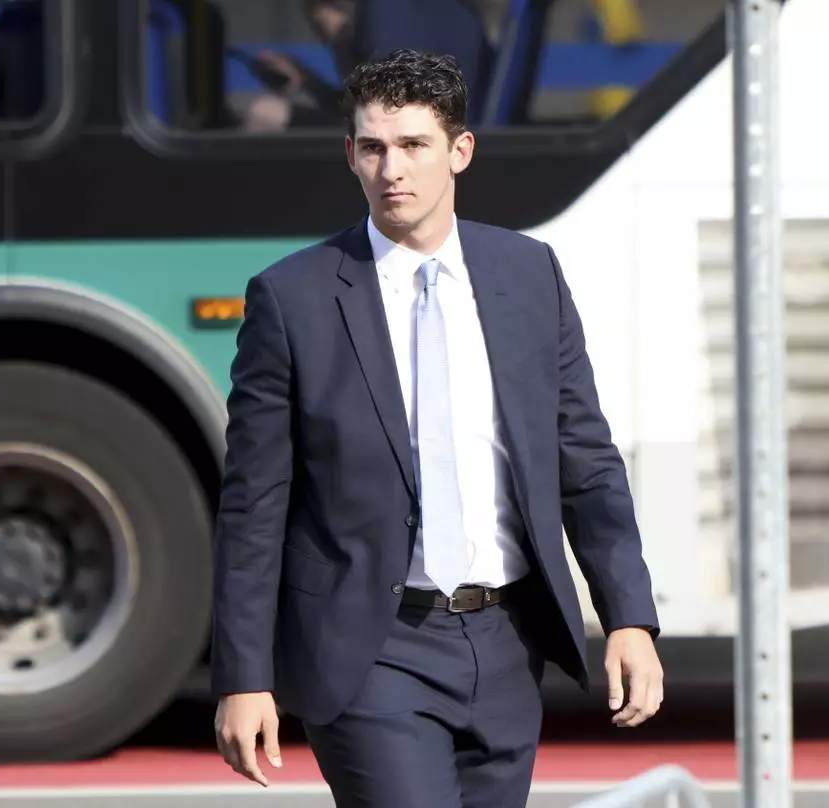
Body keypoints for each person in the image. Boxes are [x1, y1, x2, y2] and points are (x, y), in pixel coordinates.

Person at [210, 47, 664, 807]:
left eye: (414, 145)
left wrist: (629, 619)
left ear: (460, 151)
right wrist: (244, 676)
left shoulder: (529, 274)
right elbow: (254, 505)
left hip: (508, 642)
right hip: (371, 647)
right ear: (350, 156)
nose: (393, 169)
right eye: (373, 148)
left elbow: (585, 461)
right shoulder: (292, 298)